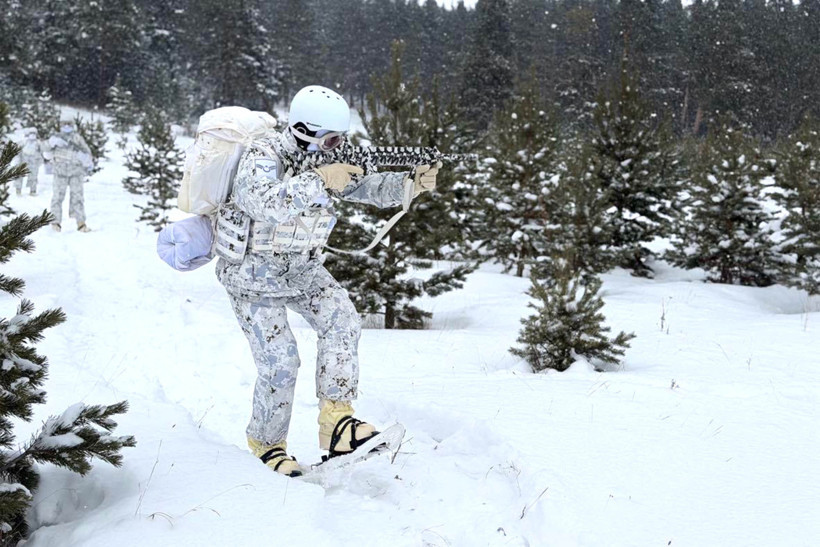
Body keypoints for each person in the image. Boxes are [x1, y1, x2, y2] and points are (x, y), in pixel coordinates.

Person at [213, 85, 439, 477]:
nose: (338, 146)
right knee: (281, 363)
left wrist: (408, 184)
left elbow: (363, 186)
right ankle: (267, 446)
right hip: (253, 278)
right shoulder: (263, 154)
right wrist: (319, 180)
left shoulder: (325, 157)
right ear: (303, 129)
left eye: (341, 138)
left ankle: (337, 425)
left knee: (343, 321)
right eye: (331, 139)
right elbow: (263, 203)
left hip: (302, 270)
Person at [43, 122, 93, 232]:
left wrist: (83, 157)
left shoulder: (77, 138)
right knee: (57, 197)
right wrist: (50, 144)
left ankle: (81, 223)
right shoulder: (55, 138)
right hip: (60, 172)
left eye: (69, 124)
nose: (66, 126)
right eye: (64, 124)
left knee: (78, 197)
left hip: (76, 172)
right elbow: (46, 155)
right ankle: (55, 223)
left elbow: (87, 154)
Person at [15, 128, 43, 196]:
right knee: (20, 175)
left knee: (33, 177)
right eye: (31, 133)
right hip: (23, 161)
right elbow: (17, 150)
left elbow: (42, 153)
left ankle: (32, 191)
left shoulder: (39, 143)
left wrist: (39, 162)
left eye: (34, 133)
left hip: (34, 163)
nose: (32, 135)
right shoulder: (24, 141)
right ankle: (18, 189)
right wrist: (18, 160)